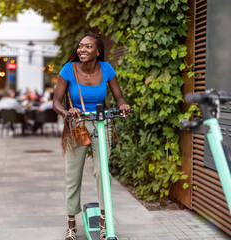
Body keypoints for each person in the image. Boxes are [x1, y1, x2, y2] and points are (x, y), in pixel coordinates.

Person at [52, 33, 131, 240]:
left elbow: (118, 96)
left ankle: (104, 223)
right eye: (80, 46)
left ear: (97, 51)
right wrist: (68, 112)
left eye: (88, 47)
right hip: (76, 126)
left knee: (102, 172)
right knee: (73, 174)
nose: (82, 50)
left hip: (101, 123)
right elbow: (56, 103)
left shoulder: (107, 69)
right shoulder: (68, 70)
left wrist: (122, 104)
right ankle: (71, 225)